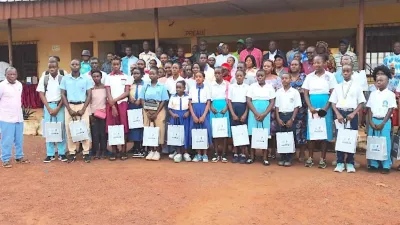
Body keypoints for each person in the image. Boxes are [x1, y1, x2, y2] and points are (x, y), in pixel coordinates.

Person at [302, 55, 337, 168]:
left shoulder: (330, 76)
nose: (316, 65)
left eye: (319, 62)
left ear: (324, 63)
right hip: (312, 104)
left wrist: (326, 108)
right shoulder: (309, 77)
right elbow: (306, 93)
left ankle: (323, 158)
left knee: (324, 131)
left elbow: (333, 93)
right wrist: (310, 107)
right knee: (312, 130)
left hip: (325, 104)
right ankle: (310, 157)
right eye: (314, 63)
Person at [330, 64, 366, 173]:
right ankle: (340, 162)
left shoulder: (357, 86)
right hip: (340, 113)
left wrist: (354, 113)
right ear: (341, 73)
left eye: (348, 71)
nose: (346, 73)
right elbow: (333, 102)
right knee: (340, 138)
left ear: (352, 72)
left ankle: (350, 162)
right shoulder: (337, 86)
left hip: (351, 114)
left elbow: (361, 102)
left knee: (351, 138)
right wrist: (337, 114)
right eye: (344, 71)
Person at [60, 59, 93, 163]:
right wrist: (69, 109)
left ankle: (86, 152)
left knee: (85, 129)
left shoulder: (86, 79)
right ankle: (72, 152)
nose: (75, 66)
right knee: (69, 129)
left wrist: (83, 109)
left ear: (80, 66)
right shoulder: (65, 79)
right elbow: (62, 94)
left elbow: (89, 95)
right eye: (73, 64)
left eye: (77, 64)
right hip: (69, 106)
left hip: (82, 105)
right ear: (70, 66)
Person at [366, 66, 396, 174]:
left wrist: (383, 123)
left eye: (382, 79)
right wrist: (370, 121)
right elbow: (369, 108)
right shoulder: (373, 94)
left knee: (385, 142)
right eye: (377, 79)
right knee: (373, 142)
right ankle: (373, 163)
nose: (379, 81)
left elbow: (390, 109)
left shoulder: (390, 94)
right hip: (373, 120)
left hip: (385, 121)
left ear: (388, 80)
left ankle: (386, 164)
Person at [37, 62, 67, 163]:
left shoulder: (62, 78)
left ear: (58, 67)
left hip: (60, 106)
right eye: (50, 67)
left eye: (54, 67)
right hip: (48, 105)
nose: (52, 69)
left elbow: (65, 94)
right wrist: (48, 108)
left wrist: (58, 107)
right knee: (49, 129)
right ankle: (50, 154)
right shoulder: (44, 78)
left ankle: (62, 153)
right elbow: (41, 93)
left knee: (61, 128)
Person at [0, 67, 29, 168]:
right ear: (5, 75)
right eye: (10, 74)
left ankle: (19, 156)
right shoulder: (2, 86)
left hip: (18, 116)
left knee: (19, 139)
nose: (12, 76)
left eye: (14, 74)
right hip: (6, 118)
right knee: (6, 139)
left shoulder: (19, 84)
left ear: (17, 75)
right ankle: (5, 159)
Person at [246, 69, 276, 165]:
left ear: (265, 76)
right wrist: (255, 113)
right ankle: (252, 156)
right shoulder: (252, 87)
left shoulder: (269, 87)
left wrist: (264, 114)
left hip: (265, 113)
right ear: (256, 77)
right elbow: (249, 100)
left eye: (261, 76)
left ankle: (265, 157)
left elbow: (272, 102)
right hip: (253, 112)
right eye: (258, 76)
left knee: (264, 134)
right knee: (252, 134)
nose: (260, 77)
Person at [139, 67, 169, 161]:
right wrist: (147, 111)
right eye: (150, 74)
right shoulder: (145, 86)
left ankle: (158, 151)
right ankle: (151, 150)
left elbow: (164, 100)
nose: (151, 75)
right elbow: (142, 98)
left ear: (157, 75)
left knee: (159, 129)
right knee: (148, 129)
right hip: (147, 110)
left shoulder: (162, 87)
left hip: (159, 110)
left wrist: (156, 112)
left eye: (153, 74)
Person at [105, 56, 131, 161]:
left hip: (122, 104)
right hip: (111, 105)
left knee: (123, 127)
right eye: (114, 64)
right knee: (113, 128)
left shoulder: (126, 76)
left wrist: (115, 100)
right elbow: (108, 92)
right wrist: (112, 105)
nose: (116, 66)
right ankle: (114, 151)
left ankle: (123, 150)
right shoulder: (108, 77)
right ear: (111, 65)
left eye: (117, 64)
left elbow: (126, 92)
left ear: (120, 65)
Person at [275, 73, 302, 167]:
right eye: (282, 78)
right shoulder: (278, 92)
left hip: (290, 115)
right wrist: (278, 118)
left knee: (290, 136)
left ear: (290, 79)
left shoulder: (295, 92)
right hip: (281, 115)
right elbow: (276, 107)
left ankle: (289, 158)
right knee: (281, 136)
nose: (284, 80)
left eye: (286, 78)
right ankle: (282, 157)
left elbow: (296, 107)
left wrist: (292, 119)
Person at [189, 71, 212, 162]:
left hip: (203, 111)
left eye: (200, 76)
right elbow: (190, 103)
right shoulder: (192, 88)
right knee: (196, 132)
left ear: (203, 78)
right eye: (196, 77)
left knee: (205, 131)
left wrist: (203, 116)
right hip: (195, 110)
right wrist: (193, 115)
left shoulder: (206, 88)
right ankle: (198, 154)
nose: (198, 78)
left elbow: (208, 103)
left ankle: (205, 154)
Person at [228, 70, 249, 164]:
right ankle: (235, 153)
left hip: (243, 109)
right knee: (235, 132)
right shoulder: (232, 87)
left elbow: (248, 102)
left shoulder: (247, 87)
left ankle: (243, 154)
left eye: (241, 75)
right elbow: (229, 101)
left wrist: (245, 114)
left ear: (244, 76)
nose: (239, 77)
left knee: (243, 132)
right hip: (234, 110)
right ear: (235, 77)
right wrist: (233, 114)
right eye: (237, 76)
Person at [210, 67, 231, 163]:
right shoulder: (211, 85)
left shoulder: (227, 84)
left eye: (219, 73)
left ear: (223, 74)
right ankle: (215, 153)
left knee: (224, 131)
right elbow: (208, 98)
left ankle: (223, 153)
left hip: (224, 108)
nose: (217, 75)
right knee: (215, 131)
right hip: (214, 109)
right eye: (216, 73)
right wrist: (211, 107)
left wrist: (226, 108)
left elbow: (230, 99)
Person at [288, 59, 308, 161]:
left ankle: (302, 151)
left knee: (301, 128)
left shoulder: (304, 77)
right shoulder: (287, 77)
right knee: (291, 128)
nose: (294, 66)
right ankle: (292, 150)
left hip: (302, 107)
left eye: (296, 64)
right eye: (292, 64)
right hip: (289, 107)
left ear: (300, 66)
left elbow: (306, 90)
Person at [263, 60, 282, 160]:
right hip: (262, 106)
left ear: (272, 67)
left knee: (273, 129)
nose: (266, 68)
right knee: (264, 129)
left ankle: (273, 150)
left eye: (268, 66)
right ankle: (265, 150)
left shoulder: (277, 79)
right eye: (264, 66)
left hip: (273, 106)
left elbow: (279, 93)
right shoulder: (259, 78)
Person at [168, 81, 191, 162]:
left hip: (185, 117)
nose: (178, 89)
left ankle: (185, 152)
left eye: (180, 87)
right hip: (175, 117)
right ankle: (178, 152)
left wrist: (188, 112)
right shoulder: (173, 97)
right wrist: (173, 114)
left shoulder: (188, 96)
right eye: (177, 87)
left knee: (185, 133)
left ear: (184, 88)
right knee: (177, 134)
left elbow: (190, 107)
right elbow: (169, 108)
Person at [90, 70, 107, 159]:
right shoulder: (91, 89)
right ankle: (96, 151)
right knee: (95, 133)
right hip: (93, 113)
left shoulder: (105, 88)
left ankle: (103, 150)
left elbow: (107, 100)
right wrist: (90, 114)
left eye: (98, 76)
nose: (96, 78)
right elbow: (89, 102)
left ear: (101, 77)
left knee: (103, 133)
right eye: (94, 76)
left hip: (103, 113)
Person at [128, 68, 145, 158]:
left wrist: (140, 100)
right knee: (134, 127)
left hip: (141, 107)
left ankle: (142, 147)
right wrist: (130, 98)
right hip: (133, 107)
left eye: (137, 73)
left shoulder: (145, 84)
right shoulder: (131, 84)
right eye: (134, 73)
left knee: (142, 127)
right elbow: (128, 93)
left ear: (142, 74)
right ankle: (136, 147)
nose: (135, 75)